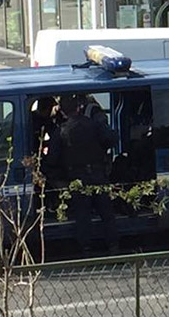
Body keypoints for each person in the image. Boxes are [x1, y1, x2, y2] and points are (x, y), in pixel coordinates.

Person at [58, 94, 119, 255]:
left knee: (82, 214)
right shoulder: (93, 125)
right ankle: (113, 246)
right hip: (98, 173)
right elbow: (111, 139)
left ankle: (86, 249)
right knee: (107, 212)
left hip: (77, 177)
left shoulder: (62, 131)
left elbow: (53, 159)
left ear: (62, 112)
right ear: (79, 108)